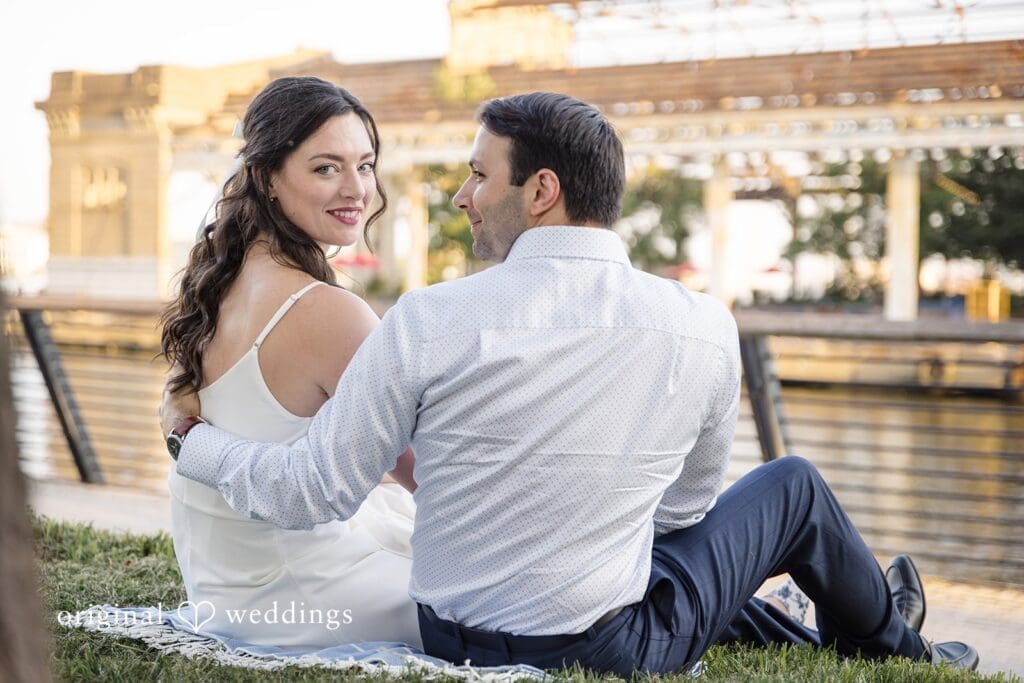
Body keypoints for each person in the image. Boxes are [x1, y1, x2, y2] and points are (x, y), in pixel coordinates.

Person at [162, 91, 977, 673]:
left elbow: (313, 489)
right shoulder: (700, 324)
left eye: (479, 176)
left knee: (639, 560)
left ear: (541, 190)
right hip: (604, 648)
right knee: (792, 487)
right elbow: (685, 515)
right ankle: (898, 642)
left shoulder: (426, 317)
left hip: (447, 633)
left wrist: (193, 444)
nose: (461, 196)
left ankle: (863, 617)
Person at [160, 76, 421, 648]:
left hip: (225, 589)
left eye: (365, 166)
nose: (357, 189)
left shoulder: (216, 286)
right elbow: (425, 475)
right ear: (267, 178)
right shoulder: (330, 313)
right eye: (326, 168)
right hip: (310, 603)